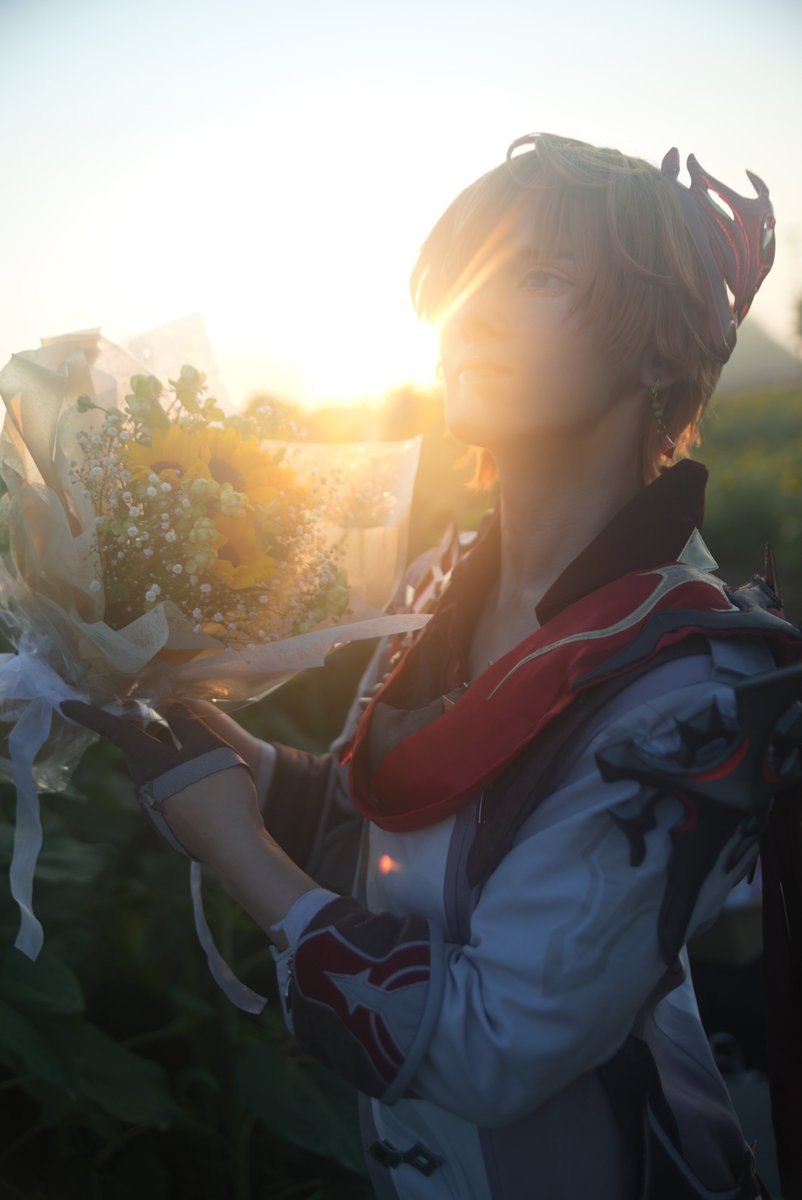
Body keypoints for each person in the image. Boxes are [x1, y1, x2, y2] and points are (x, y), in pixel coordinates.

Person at [62, 133, 802, 1200]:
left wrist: (234, 846)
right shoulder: (438, 580)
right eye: (465, 278)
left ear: (659, 353)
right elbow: (384, 838)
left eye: (539, 276)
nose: (471, 313)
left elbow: (492, 1046)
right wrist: (229, 756)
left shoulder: (688, 687)